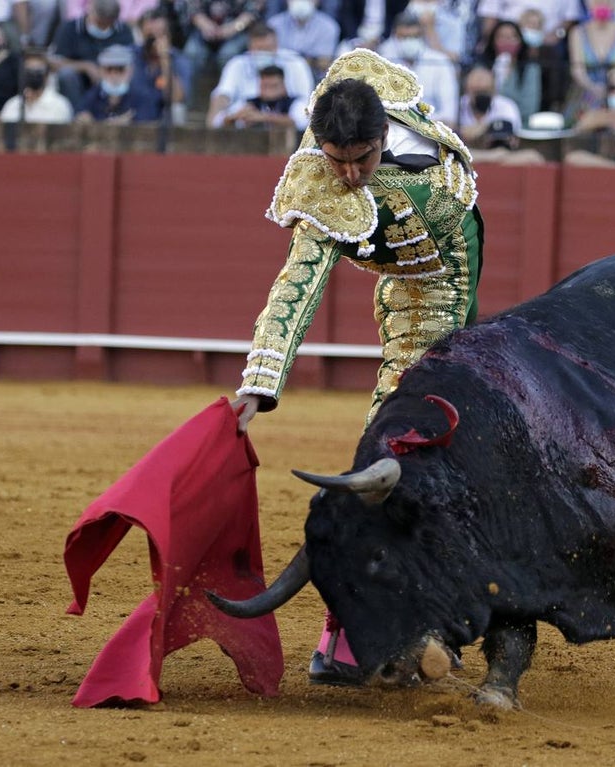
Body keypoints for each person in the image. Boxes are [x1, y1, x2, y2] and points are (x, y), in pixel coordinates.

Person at [231, 48, 483, 686]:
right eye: (335, 161)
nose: (346, 177)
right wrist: (260, 383)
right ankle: (348, 633)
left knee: (411, 458)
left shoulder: (418, 168)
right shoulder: (328, 166)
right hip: (403, 295)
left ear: (382, 139)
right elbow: (299, 283)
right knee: (390, 460)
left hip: (440, 289)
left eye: (361, 160)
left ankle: (412, 624)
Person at [204, 22, 313, 127]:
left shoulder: (295, 63)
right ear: (250, 48)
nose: (263, 53)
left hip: (285, 113)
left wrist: (264, 117)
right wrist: (230, 119)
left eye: (268, 48)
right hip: (249, 112)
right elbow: (222, 96)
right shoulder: (238, 64)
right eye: (259, 48)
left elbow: (304, 113)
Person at [49, 0, 135, 110]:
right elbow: (55, 62)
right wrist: (85, 67)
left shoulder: (123, 31)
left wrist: (107, 72)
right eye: (99, 23)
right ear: (90, 12)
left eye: (107, 24)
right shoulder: (70, 28)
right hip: (80, 83)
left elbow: (132, 61)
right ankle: (78, 116)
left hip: (114, 81)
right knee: (66, 75)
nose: (103, 28)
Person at [376, 10, 457, 122]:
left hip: (430, 133)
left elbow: (449, 116)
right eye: (404, 37)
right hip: (393, 131)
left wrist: (415, 125)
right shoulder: (383, 62)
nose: (409, 42)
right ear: (395, 36)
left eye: (414, 37)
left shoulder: (440, 62)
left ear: (422, 35)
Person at [182, 0, 264, 106]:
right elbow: (191, 9)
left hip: (238, 32)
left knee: (228, 54)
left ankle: (227, 102)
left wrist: (233, 28)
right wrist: (206, 26)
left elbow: (252, 12)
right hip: (204, 32)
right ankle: (188, 103)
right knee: (191, 53)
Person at [568, 0, 615, 115]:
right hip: (585, 94)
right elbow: (577, 70)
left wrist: (611, 88)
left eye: (607, 1)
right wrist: (593, 88)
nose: (602, 4)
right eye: (597, 2)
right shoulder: (577, 33)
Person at [477, 19, 543, 121]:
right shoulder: (481, 66)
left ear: (520, 41)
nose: (507, 41)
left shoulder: (530, 69)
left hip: (517, 123)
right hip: (481, 122)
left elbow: (529, 108)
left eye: (512, 37)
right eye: (502, 37)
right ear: (493, 41)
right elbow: (472, 103)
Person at [76, 42, 162, 121]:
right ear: (101, 71)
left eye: (120, 69)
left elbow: (147, 123)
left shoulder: (143, 98)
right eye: (109, 69)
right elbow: (80, 116)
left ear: (130, 71)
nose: (114, 75)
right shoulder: (91, 97)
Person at [215, 62, 308, 128]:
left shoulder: (296, 103)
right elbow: (217, 122)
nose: (269, 91)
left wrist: (264, 117)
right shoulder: (250, 103)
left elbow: (300, 123)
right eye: (265, 86)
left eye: (274, 86)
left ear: (284, 86)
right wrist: (235, 116)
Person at [266, 0, 340, 79]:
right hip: (279, 76)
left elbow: (323, 63)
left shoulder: (329, 26)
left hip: (314, 79)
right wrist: (309, 60)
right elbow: (270, 58)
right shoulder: (273, 24)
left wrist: (287, 58)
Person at [0, 48, 73, 122]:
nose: (33, 74)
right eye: (29, 71)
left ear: (46, 76)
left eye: (38, 71)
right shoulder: (12, 104)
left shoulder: (59, 105)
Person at [457, 64, 523, 145]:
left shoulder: (507, 106)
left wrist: (482, 128)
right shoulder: (458, 105)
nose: (481, 97)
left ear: (493, 90)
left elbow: (509, 134)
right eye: (477, 92)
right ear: (467, 90)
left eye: (485, 91)